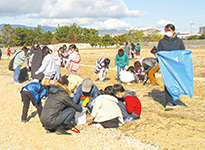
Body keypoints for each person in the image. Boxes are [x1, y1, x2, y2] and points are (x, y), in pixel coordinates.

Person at [157, 24, 185, 110]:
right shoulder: (162, 42)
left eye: (169, 30)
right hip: (166, 66)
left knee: (176, 83)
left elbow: (182, 53)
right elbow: (159, 53)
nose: (167, 32)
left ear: (173, 31)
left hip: (176, 66)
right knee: (168, 83)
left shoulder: (179, 41)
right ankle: (169, 101)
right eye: (166, 31)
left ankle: (174, 99)